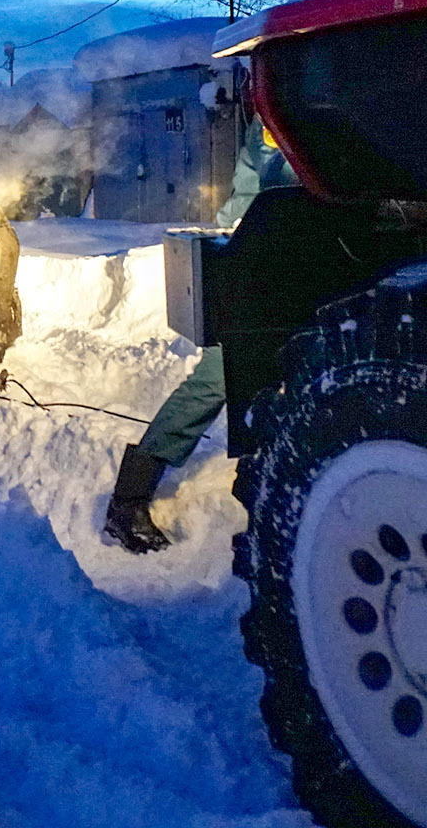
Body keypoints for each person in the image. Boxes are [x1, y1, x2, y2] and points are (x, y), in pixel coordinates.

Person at [102, 115, 297, 553]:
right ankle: (128, 501)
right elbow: (247, 199)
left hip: (291, 268)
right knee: (218, 379)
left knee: (249, 382)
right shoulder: (283, 123)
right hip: (270, 273)